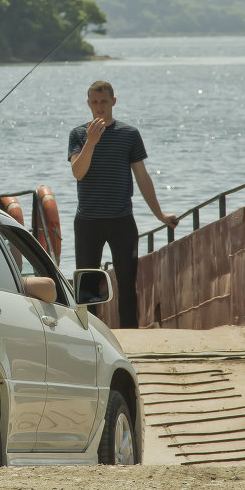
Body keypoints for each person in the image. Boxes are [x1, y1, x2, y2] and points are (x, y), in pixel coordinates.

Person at [68, 80, 178, 329]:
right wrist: (91, 142)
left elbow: (142, 176)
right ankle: (89, 334)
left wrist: (159, 214)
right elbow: (78, 172)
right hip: (88, 221)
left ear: (113, 102)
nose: (99, 107)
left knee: (128, 284)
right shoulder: (78, 134)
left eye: (104, 102)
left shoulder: (129, 134)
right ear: (88, 104)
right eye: (94, 102)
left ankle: (131, 336)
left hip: (121, 220)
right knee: (87, 285)